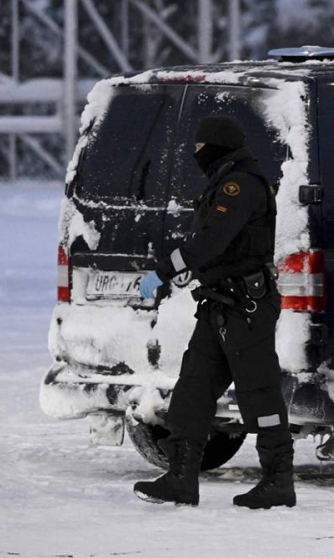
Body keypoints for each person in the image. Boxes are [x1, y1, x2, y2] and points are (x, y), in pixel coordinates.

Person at [132, 115, 294, 509]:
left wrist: (164, 270)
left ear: (217, 147)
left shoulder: (241, 185)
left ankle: (278, 480)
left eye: (199, 148)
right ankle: (181, 479)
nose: (195, 154)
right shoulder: (224, 181)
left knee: (260, 393)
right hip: (218, 303)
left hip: (246, 307)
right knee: (192, 392)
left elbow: (212, 240)